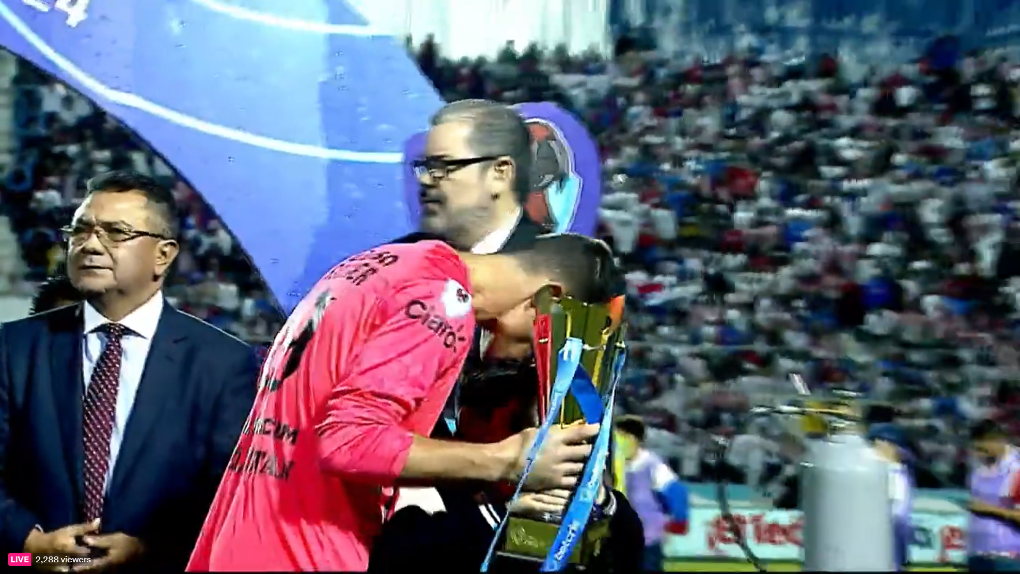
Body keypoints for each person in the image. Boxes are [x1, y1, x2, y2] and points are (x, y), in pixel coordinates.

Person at [186, 232, 613, 572]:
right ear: (549, 299)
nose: (532, 356)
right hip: (305, 549)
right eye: (550, 340)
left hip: (241, 536)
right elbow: (348, 442)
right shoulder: (444, 302)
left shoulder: (376, 267)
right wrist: (507, 460)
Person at [0, 170, 259, 573]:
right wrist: (31, 546)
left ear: (164, 255)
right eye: (80, 229)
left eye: (115, 232)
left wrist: (147, 550)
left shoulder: (223, 363)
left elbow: (229, 494)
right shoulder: (12, 347)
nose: (90, 244)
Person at [415, 99, 548, 255]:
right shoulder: (396, 262)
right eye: (426, 166)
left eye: (442, 166)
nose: (424, 179)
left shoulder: (553, 268)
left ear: (500, 174)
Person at [614, 416, 690, 572]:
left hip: (647, 539)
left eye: (621, 437)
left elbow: (676, 492)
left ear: (634, 439)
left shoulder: (652, 465)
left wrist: (679, 519)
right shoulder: (613, 465)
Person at [966, 419, 1020, 571]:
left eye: (983, 449)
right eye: (976, 449)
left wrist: (988, 510)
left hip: (1006, 558)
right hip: (977, 554)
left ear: (997, 441)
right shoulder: (978, 469)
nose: (978, 454)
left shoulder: (1016, 471)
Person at [868, 423, 915, 571]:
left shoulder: (895, 471)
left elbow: (898, 512)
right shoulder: (891, 469)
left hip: (889, 530)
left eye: (878, 442)